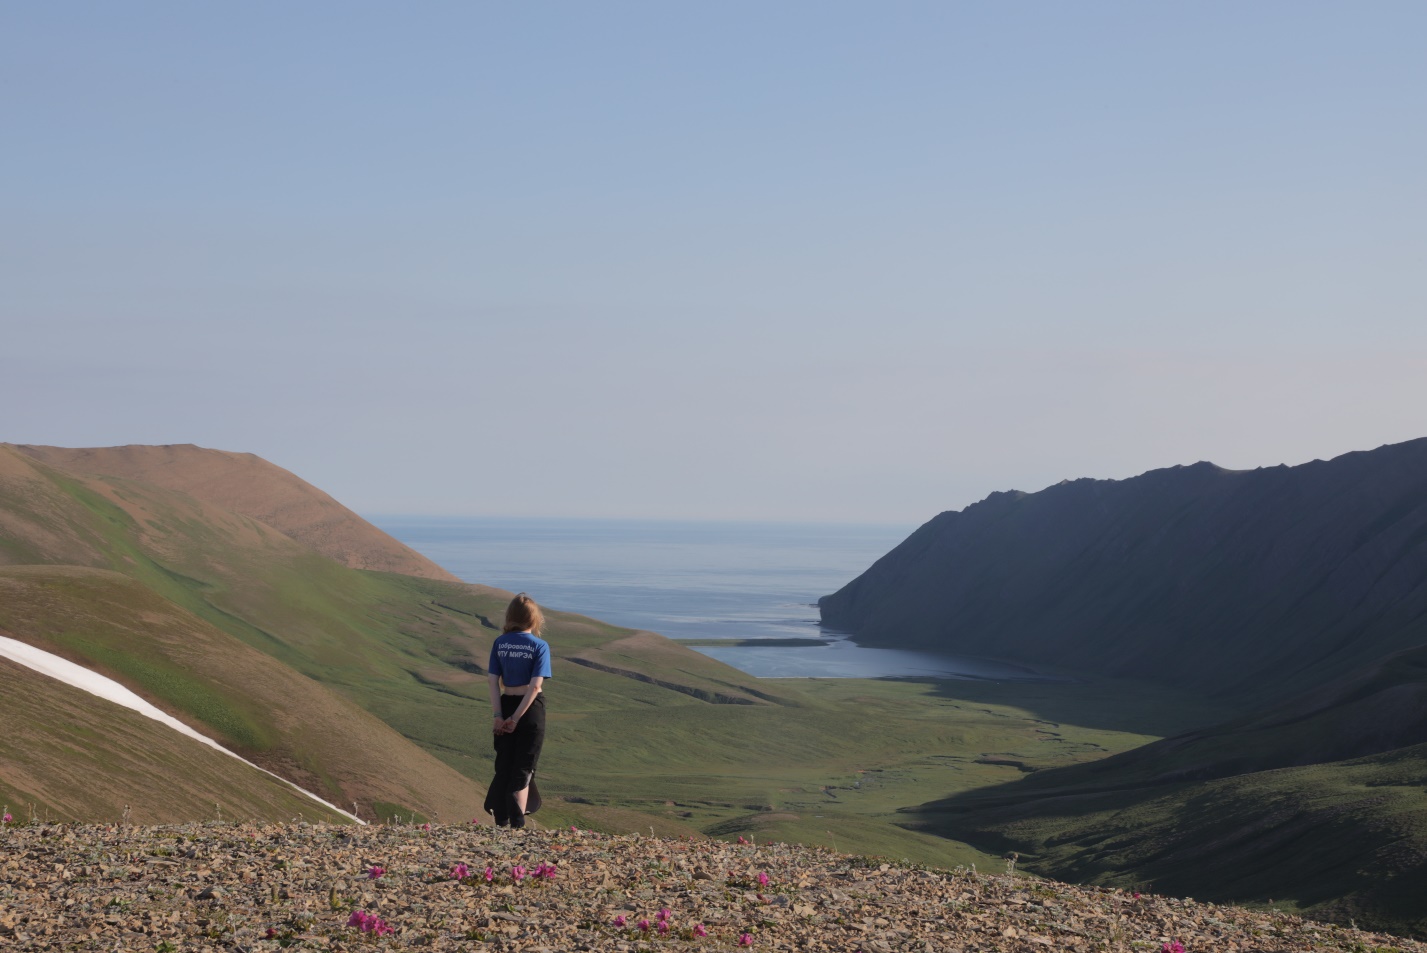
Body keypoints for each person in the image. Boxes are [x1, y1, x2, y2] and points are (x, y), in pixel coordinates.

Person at [484, 592, 552, 828]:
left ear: (510, 616)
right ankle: (518, 821)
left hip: (506, 702)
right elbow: (535, 687)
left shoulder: (499, 643)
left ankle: (501, 819)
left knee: (504, 762)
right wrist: (515, 718)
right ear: (534, 619)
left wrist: (499, 715)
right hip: (530, 710)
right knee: (524, 765)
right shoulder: (540, 646)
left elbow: (493, 681)